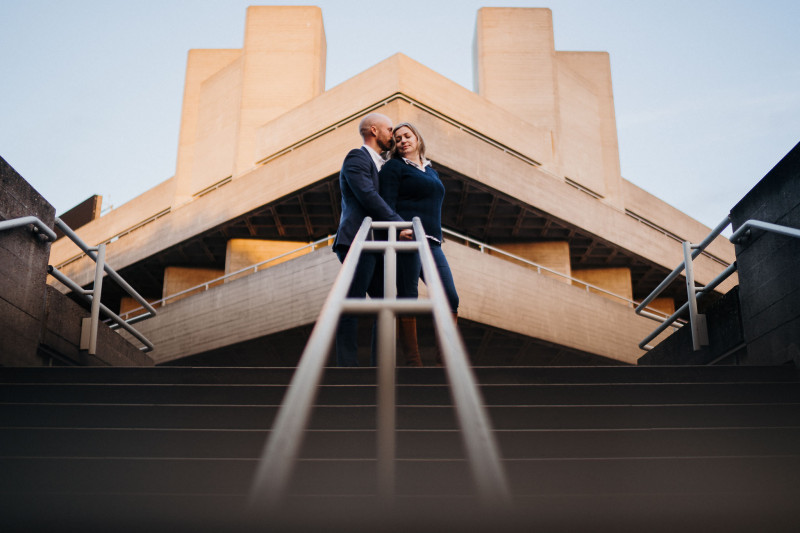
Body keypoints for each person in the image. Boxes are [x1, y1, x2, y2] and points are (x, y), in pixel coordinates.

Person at [332, 113, 409, 366]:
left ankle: (381, 364)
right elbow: (367, 195)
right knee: (353, 300)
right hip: (358, 240)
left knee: (385, 303)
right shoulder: (357, 157)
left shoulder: (382, 164)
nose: (393, 135)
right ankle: (347, 367)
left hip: (376, 243)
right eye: (389, 130)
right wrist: (399, 224)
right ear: (374, 131)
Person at [379, 122, 459, 366]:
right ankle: (414, 363)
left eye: (407, 136)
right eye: (398, 139)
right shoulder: (394, 167)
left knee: (449, 297)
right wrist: (397, 230)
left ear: (417, 137)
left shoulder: (431, 171)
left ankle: (445, 360)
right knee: (408, 296)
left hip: (433, 242)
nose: (403, 141)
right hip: (408, 239)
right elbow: (385, 203)